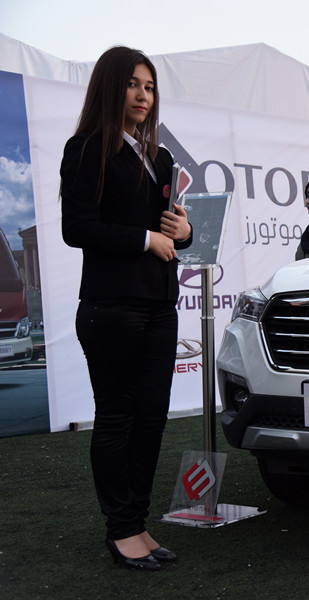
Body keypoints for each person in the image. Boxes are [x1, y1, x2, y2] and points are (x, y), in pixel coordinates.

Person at [59, 46, 192, 571]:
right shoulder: (87, 148)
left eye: (150, 86)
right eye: (133, 84)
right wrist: (144, 240)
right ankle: (121, 530)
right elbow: (77, 228)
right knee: (117, 417)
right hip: (111, 305)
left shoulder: (160, 156)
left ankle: (137, 522)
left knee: (152, 417)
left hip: (160, 303)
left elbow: (170, 231)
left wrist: (183, 231)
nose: (143, 95)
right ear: (111, 88)